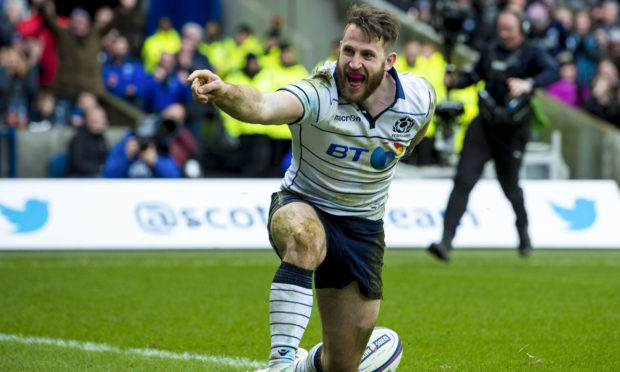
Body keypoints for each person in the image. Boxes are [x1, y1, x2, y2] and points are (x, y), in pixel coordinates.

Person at [188, 5, 435, 372]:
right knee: (305, 238)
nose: (353, 62)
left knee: (341, 366)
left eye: (367, 55)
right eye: (348, 50)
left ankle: (306, 366)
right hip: (303, 203)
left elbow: (415, 134)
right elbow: (263, 106)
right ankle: (282, 364)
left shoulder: (418, 98)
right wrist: (224, 91)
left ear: (389, 61)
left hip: (362, 230)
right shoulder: (320, 94)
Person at [428, 8, 561, 262]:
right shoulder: (490, 50)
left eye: (509, 30)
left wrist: (528, 83)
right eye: (501, 29)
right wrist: (456, 80)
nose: (504, 34)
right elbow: (475, 75)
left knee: (510, 187)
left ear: (521, 29)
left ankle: (523, 234)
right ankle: (445, 242)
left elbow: (552, 72)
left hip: (513, 129)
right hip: (485, 125)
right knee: (463, 181)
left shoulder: (533, 52)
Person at [102, 114, 182, 178]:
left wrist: (155, 162)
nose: (145, 141)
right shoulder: (124, 146)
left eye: (150, 138)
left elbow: (175, 176)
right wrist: (127, 158)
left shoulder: (161, 148)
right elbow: (108, 175)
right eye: (141, 137)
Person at [67, 105, 109, 177]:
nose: (105, 121)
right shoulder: (78, 139)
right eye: (101, 119)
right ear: (90, 121)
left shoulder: (101, 137)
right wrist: (99, 168)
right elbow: (78, 164)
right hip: (80, 179)